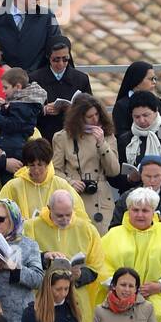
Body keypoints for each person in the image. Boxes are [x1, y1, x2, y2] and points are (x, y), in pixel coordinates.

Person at [100, 189, 161, 322]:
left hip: (159, 298)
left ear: (154, 211)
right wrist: (125, 289)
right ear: (128, 210)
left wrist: (160, 286)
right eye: (135, 210)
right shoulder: (113, 235)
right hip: (119, 298)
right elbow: (102, 268)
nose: (140, 214)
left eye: (145, 210)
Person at [23, 190, 105, 322]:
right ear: (49, 208)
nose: (65, 219)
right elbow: (23, 259)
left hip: (75, 298)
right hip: (43, 296)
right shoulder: (32, 226)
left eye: (68, 214)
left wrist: (79, 275)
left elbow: (96, 267)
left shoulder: (87, 229)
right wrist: (44, 257)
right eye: (59, 215)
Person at [52, 95, 118, 233]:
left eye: (97, 114)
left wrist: (102, 144)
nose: (95, 119)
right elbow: (55, 171)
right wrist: (70, 182)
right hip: (76, 196)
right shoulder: (62, 137)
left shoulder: (107, 135)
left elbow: (114, 170)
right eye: (89, 116)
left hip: (101, 199)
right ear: (79, 117)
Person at [111, 91, 161, 194]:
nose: (142, 120)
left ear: (156, 111)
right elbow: (114, 177)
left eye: (146, 115)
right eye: (137, 117)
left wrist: (159, 176)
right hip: (133, 198)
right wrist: (129, 178)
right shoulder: (125, 140)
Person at [109, 156, 161, 247]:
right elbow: (114, 228)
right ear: (141, 176)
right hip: (132, 249)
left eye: (156, 176)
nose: (152, 180)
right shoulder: (127, 198)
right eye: (148, 176)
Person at [0, 138, 86, 222]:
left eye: (40, 165)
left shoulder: (61, 185)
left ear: (47, 163)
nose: (36, 170)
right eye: (32, 165)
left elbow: (79, 213)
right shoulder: (13, 186)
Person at [31, 35, 92, 140]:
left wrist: (74, 110)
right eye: (56, 59)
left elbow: (90, 108)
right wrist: (44, 110)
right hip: (44, 134)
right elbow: (27, 109)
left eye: (65, 59)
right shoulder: (34, 78)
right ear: (48, 57)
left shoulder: (81, 79)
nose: (61, 64)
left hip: (73, 134)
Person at [0, 67, 46, 159]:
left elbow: (12, 125)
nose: (3, 91)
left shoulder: (22, 106)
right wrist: (5, 107)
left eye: (6, 87)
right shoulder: (22, 103)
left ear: (18, 87)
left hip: (13, 147)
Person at [111, 61, 161, 136]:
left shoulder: (158, 102)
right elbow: (122, 136)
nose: (154, 82)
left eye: (155, 79)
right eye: (150, 79)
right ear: (137, 81)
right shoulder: (121, 106)